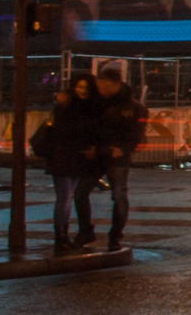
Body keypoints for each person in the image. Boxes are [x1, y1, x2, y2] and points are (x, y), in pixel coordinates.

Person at [89, 64, 150, 251]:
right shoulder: (99, 103)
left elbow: (135, 135)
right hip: (100, 153)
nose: (102, 91)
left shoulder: (132, 108)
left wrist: (122, 148)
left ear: (115, 84)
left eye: (105, 87)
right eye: (100, 88)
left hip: (115, 155)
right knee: (82, 192)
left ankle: (115, 236)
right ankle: (93, 232)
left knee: (118, 194)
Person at [39, 74, 103, 251]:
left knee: (68, 196)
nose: (82, 91)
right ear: (74, 88)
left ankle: (62, 236)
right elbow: (65, 131)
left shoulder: (87, 106)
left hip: (75, 157)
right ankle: (61, 237)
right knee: (65, 197)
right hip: (63, 156)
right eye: (80, 87)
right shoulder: (66, 105)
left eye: (86, 88)